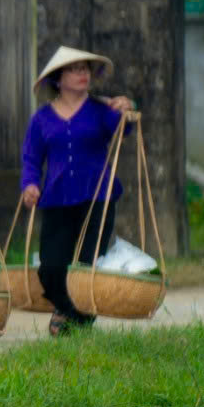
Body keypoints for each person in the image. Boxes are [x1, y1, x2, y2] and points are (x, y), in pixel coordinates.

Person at [21, 45, 138, 335]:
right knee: (51, 266)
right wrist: (30, 185)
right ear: (58, 79)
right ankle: (68, 309)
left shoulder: (101, 110)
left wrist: (126, 107)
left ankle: (74, 318)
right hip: (58, 198)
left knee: (86, 264)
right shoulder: (41, 119)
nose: (81, 74)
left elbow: (124, 128)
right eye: (74, 70)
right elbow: (31, 158)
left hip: (97, 196)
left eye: (85, 69)